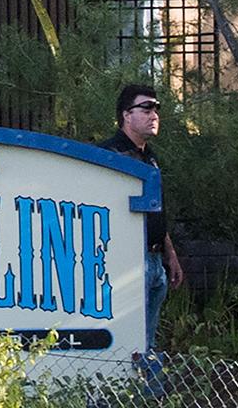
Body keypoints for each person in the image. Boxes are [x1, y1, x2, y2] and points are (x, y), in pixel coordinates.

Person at [99, 84, 183, 352]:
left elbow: (154, 208)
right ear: (126, 115)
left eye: (156, 108)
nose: (154, 114)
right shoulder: (109, 155)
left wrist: (170, 254)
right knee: (127, 339)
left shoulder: (150, 157)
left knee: (148, 336)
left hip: (155, 259)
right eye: (146, 107)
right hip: (128, 261)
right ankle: (132, 390)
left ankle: (145, 390)